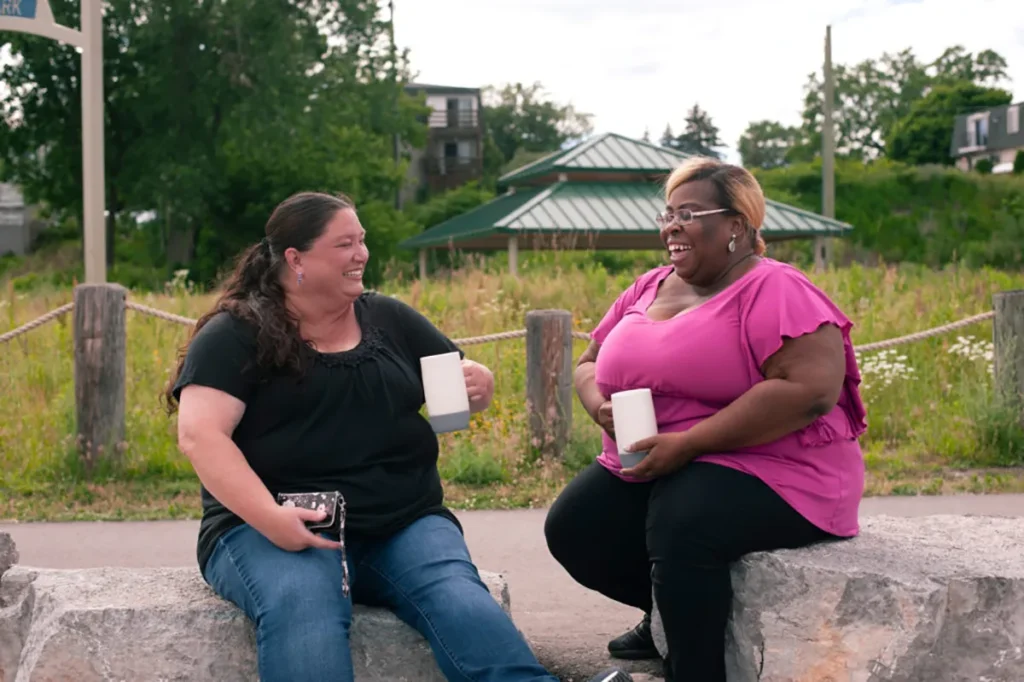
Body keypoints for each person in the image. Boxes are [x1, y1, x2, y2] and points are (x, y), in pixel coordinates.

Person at [164, 191, 634, 682]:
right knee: (304, 608)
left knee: (458, 599)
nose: (361, 254)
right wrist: (271, 519)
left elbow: (455, 374)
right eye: (345, 244)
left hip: (402, 521)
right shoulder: (234, 335)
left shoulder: (388, 318)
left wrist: (481, 383)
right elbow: (200, 436)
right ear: (295, 258)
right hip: (277, 523)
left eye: (362, 241)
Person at [543, 158, 868, 682]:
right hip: (656, 456)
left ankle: (694, 669)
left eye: (688, 214)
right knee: (576, 529)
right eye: (667, 214)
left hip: (776, 466)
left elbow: (811, 391)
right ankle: (669, 615)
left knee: (683, 518)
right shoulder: (649, 285)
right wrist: (596, 404)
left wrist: (690, 442)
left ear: (736, 224)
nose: (671, 226)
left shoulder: (776, 289)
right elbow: (588, 363)